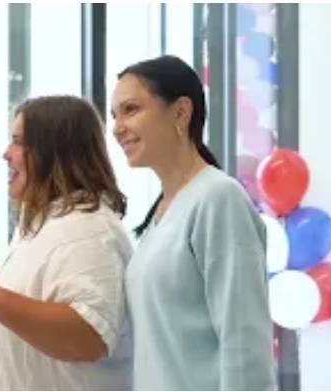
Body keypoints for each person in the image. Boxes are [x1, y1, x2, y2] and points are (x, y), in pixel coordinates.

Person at [110, 55, 276, 390]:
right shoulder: (162, 213)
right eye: (114, 116)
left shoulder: (218, 199)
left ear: (181, 112)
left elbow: (244, 343)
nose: (117, 128)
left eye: (131, 110)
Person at [0, 95, 134, 390]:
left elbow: (89, 337)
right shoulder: (50, 223)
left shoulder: (89, 231)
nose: (6, 154)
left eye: (18, 142)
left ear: (54, 153)